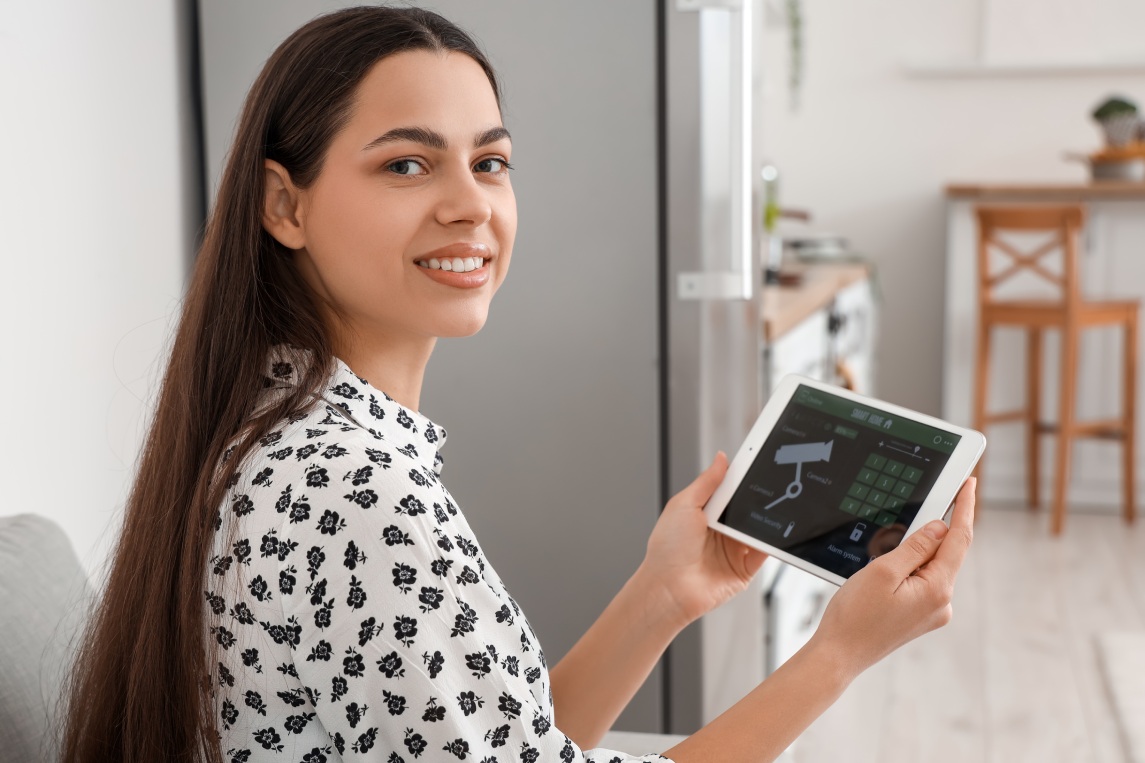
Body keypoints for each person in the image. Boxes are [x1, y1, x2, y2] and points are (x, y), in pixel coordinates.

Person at [62, 7, 975, 763]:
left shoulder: (283, 424)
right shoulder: (355, 489)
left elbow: (502, 741)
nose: (471, 203)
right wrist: (839, 653)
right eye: (406, 164)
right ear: (283, 205)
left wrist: (663, 592)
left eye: (489, 161)